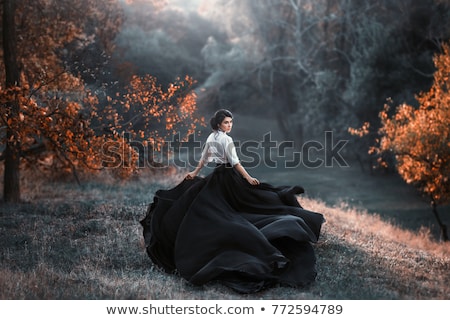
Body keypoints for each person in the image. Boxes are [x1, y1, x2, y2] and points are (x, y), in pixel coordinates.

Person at [140, 109, 325, 293]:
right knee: (251, 202)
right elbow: (235, 163)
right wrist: (248, 178)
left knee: (226, 204)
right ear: (219, 124)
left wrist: (195, 173)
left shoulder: (212, 138)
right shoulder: (226, 139)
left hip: (216, 177)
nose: (230, 125)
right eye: (227, 122)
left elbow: (204, 158)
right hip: (228, 177)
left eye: (231, 122)